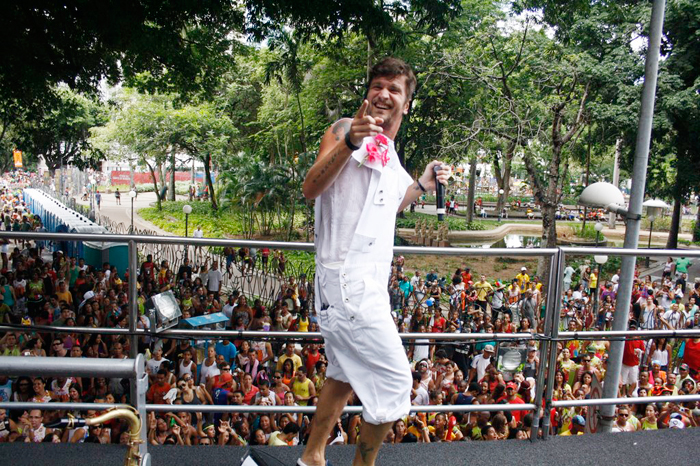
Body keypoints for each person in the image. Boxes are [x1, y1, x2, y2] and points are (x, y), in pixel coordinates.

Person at [299, 57, 450, 466]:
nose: (384, 94)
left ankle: (312, 456)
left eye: (394, 89)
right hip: (348, 283)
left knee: (343, 372)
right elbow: (311, 187)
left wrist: (421, 185)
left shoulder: (390, 153)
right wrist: (350, 144)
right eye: (377, 85)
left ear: (407, 103)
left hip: (357, 285)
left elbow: (386, 207)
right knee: (398, 382)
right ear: (368, 92)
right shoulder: (346, 129)